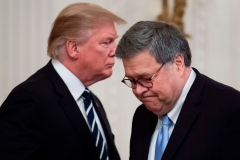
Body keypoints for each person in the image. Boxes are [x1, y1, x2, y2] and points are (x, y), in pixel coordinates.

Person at [0, 2, 125, 160]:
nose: (116, 51)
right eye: (106, 42)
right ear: (73, 48)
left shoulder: (92, 102)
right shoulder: (29, 98)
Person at [115, 21, 240, 160]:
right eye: (132, 81)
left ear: (178, 63)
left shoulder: (231, 109)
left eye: (146, 78)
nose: (138, 91)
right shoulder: (142, 116)